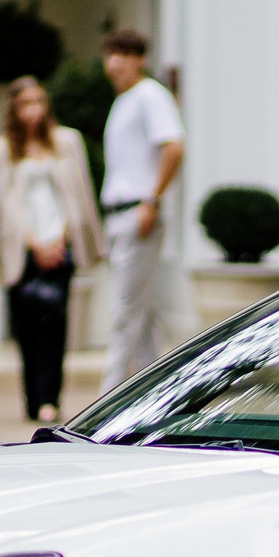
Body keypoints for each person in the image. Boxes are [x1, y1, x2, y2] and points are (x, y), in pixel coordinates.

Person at [0, 75, 107, 424]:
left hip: (60, 246)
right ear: (14, 110)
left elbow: (81, 195)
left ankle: (51, 399)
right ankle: (32, 400)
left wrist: (68, 239)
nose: (34, 110)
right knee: (27, 331)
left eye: (39, 102)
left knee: (56, 327)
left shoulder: (67, 142)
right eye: (26, 104)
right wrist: (0, 255)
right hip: (21, 252)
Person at [98, 27, 183, 388]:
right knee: (142, 314)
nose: (114, 63)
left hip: (138, 213)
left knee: (125, 313)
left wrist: (152, 198)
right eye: (110, 54)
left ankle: (106, 397)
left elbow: (174, 147)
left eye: (123, 55)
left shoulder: (150, 95)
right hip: (119, 214)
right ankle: (155, 394)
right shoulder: (124, 101)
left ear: (140, 59)